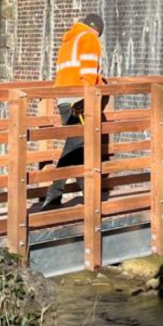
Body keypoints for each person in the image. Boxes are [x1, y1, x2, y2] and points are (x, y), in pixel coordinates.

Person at [39, 13, 105, 210]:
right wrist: (87, 102)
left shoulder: (69, 40)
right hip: (78, 100)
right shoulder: (89, 38)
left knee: (78, 147)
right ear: (96, 30)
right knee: (75, 145)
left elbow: (68, 71)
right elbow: (88, 75)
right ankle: (53, 197)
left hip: (63, 99)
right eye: (99, 34)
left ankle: (88, 196)